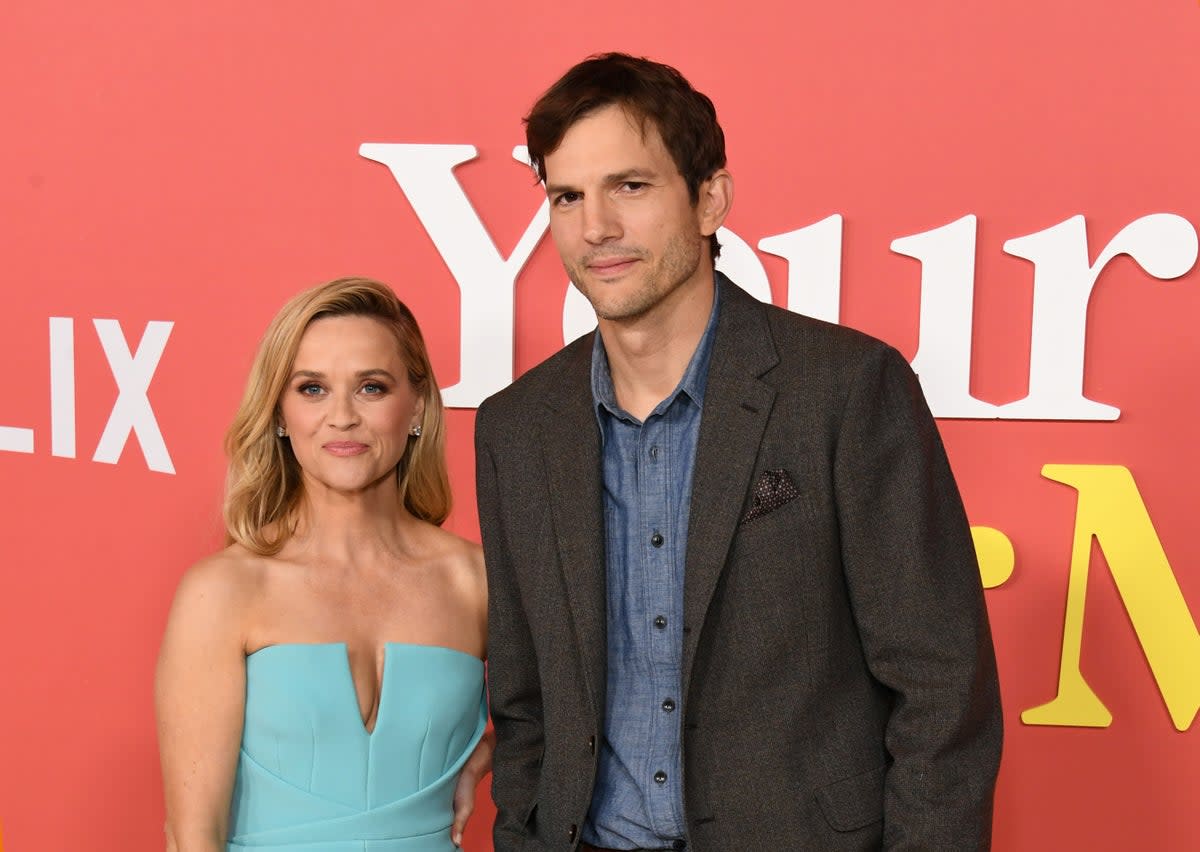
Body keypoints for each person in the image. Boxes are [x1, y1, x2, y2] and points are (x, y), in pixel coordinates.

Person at [475, 54, 1003, 851]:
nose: (596, 228)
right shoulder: (517, 427)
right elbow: (523, 704)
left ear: (711, 199)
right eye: (567, 197)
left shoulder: (847, 388)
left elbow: (942, 692)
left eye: (631, 186)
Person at [156, 278, 492, 852]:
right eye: (312, 389)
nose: (342, 416)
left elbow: (579, 709)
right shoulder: (224, 591)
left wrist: (492, 753)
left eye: (371, 387)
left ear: (416, 407)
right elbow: (193, 835)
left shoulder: (477, 579)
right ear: (281, 415)